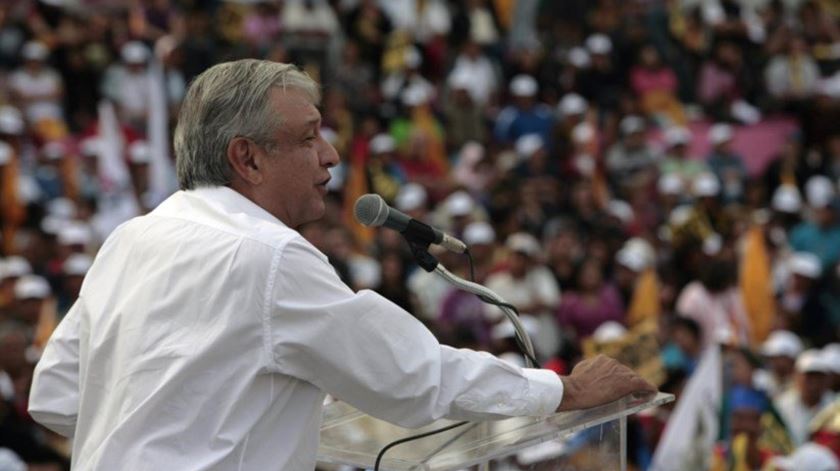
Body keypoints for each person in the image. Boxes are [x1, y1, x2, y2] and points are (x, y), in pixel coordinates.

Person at [27, 60, 655, 470]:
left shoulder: (130, 240)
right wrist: (563, 391)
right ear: (246, 159)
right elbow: (413, 378)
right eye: (306, 138)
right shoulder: (269, 256)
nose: (330, 155)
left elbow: (55, 396)